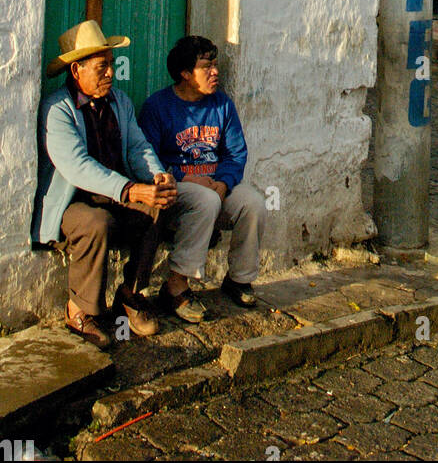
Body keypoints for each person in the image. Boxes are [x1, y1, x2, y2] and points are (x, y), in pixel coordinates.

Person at [32, 20, 177, 350]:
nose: (110, 73)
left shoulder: (119, 103)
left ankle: (130, 293)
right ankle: (80, 310)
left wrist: (156, 176)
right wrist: (129, 189)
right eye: (102, 67)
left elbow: (138, 147)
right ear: (76, 70)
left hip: (114, 194)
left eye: (111, 65)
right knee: (96, 223)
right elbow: (76, 167)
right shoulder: (57, 109)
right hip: (74, 203)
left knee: (160, 202)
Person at [138, 35, 267, 323]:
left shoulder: (222, 105)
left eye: (215, 64)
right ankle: (176, 286)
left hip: (215, 186)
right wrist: (185, 177)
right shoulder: (157, 107)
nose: (215, 72)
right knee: (205, 199)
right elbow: (147, 159)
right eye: (206, 66)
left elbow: (236, 154)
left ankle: (239, 279)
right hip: (177, 189)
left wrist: (223, 183)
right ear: (185, 73)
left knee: (254, 203)